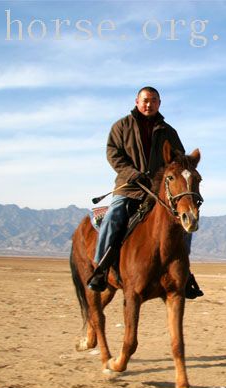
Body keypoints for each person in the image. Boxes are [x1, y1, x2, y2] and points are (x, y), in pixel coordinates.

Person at [87, 86, 203, 298]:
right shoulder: (121, 126)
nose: (149, 104)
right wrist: (132, 174)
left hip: (159, 192)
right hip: (130, 187)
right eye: (145, 100)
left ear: (159, 103)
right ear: (137, 102)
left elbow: (178, 161)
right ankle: (100, 269)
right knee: (114, 217)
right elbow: (113, 154)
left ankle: (184, 276)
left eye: (154, 101)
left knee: (182, 224)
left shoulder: (169, 132)